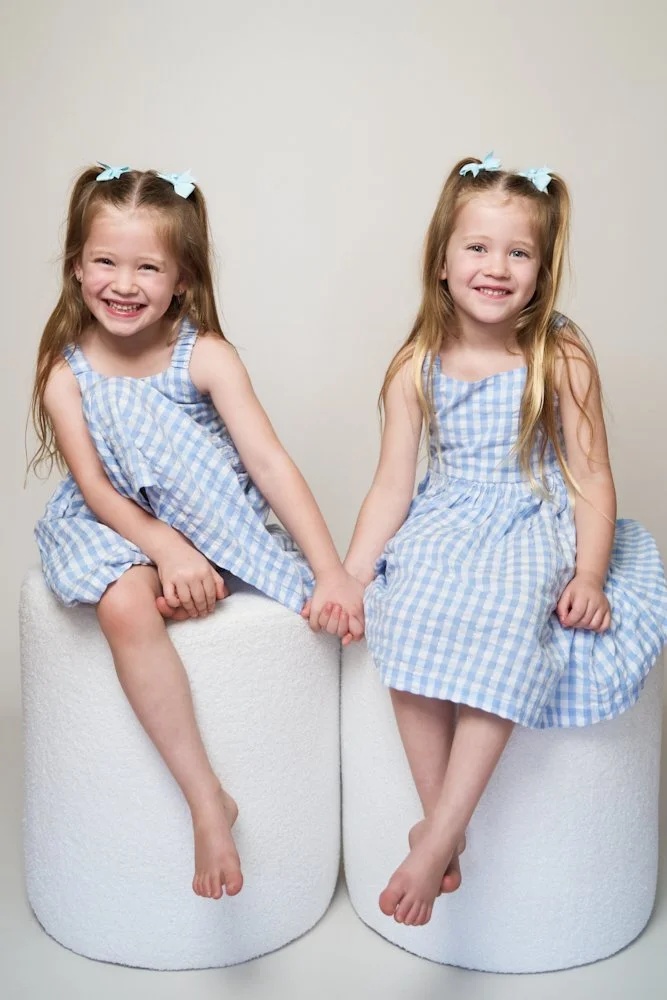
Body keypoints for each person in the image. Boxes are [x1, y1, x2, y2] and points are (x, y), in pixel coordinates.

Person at [332, 153, 667, 927]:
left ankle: (438, 835)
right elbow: (391, 486)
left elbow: (589, 474)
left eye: (518, 253)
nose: (495, 267)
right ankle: (439, 827)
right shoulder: (415, 366)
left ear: (542, 269)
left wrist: (587, 572)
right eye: (477, 248)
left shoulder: (559, 355)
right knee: (405, 605)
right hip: (448, 515)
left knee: (510, 613)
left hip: (531, 512)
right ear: (441, 261)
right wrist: (353, 572)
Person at [31, 163, 364, 901]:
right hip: (112, 520)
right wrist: (163, 549)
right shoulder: (66, 371)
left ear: (182, 278)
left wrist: (331, 570)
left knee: (291, 594)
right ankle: (205, 798)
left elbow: (269, 465)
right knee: (123, 605)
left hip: (204, 515)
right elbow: (93, 487)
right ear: (76, 267)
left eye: (148, 266)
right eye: (105, 262)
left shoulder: (205, 355)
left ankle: (202, 570)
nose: (124, 283)